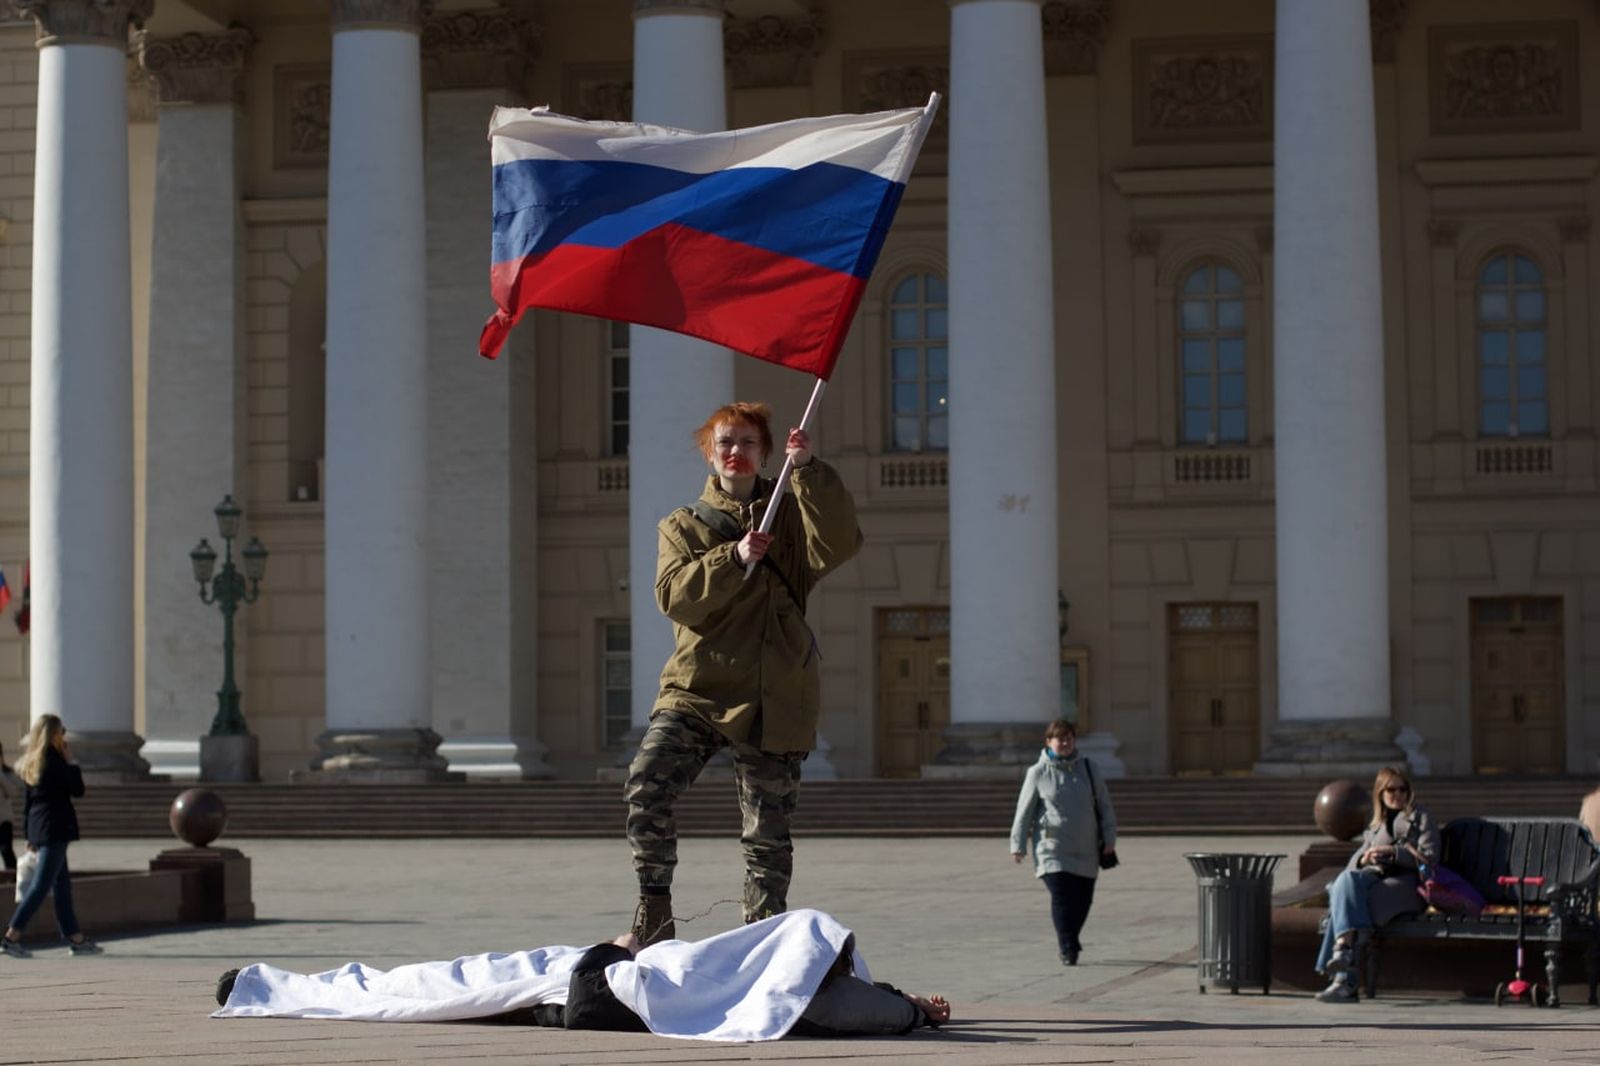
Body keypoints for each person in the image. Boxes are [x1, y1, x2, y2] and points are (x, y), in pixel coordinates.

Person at [624, 402, 861, 945]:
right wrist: (731, 557)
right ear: (711, 455)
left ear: (765, 452)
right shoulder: (682, 525)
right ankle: (654, 906)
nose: (736, 451)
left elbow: (840, 543)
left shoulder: (790, 515)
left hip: (774, 690)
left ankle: (762, 940)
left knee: (768, 834)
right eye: (726, 442)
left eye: (748, 443)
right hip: (699, 687)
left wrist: (808, 470)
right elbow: (674, 598)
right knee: (646, 783)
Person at [212, 908, 949, 1041]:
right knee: (439, 986)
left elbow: (856, 1008)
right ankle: (266, 987)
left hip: (602, 982)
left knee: (436, 985)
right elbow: (862, 1008)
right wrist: (911, 1008)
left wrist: (907, 1006)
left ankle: (265, 987)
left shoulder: (804, 975)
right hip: (604, 983)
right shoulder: (814, 990)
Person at [1313, 764, 1438, 1003]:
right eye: (1391, 790)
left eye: (1403, 789)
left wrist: (1394, 853)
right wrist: (1365, 857)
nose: (1398, 794)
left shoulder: (1421, 817)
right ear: (1380, 793)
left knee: (1348, 904)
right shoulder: (1376, 824)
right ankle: (1343, 956)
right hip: (1376, 880)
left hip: (1407, 885)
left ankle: (1342, 977)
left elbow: (1431, 861)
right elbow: (1352, 865)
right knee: (1347, 883)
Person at [1009, 718, 1117, 966]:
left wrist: (1110, 837)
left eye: (1069, 737)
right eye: (1060, 738)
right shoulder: (1037, 773)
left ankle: (1071, 936)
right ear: (1049, 742)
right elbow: (1024, 810)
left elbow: (1104, 806)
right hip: (1052, 849)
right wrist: (1017, 844)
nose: (1065, 742)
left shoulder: (1089, 768)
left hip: (1086, 847)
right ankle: (1067, 947)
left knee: (1083, 900)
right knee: (1062, 896)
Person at [1, 714, 101, 957]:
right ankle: (10, 938)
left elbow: (28, 804)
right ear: (55, 735)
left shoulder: (31, 763)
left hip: (40, 828)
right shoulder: (55, 762)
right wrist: (71, 762)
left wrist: (29, 836)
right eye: (62, 732)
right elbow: (77, 790)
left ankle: (76, 939)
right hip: (55, 829)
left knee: (62, 887)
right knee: (41, 885)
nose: (65, 737)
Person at [0, 740, 18, 871]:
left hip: (4, 819)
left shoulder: (7, 773)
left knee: (7, 851)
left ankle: (13, 880)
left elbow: (13, 792)